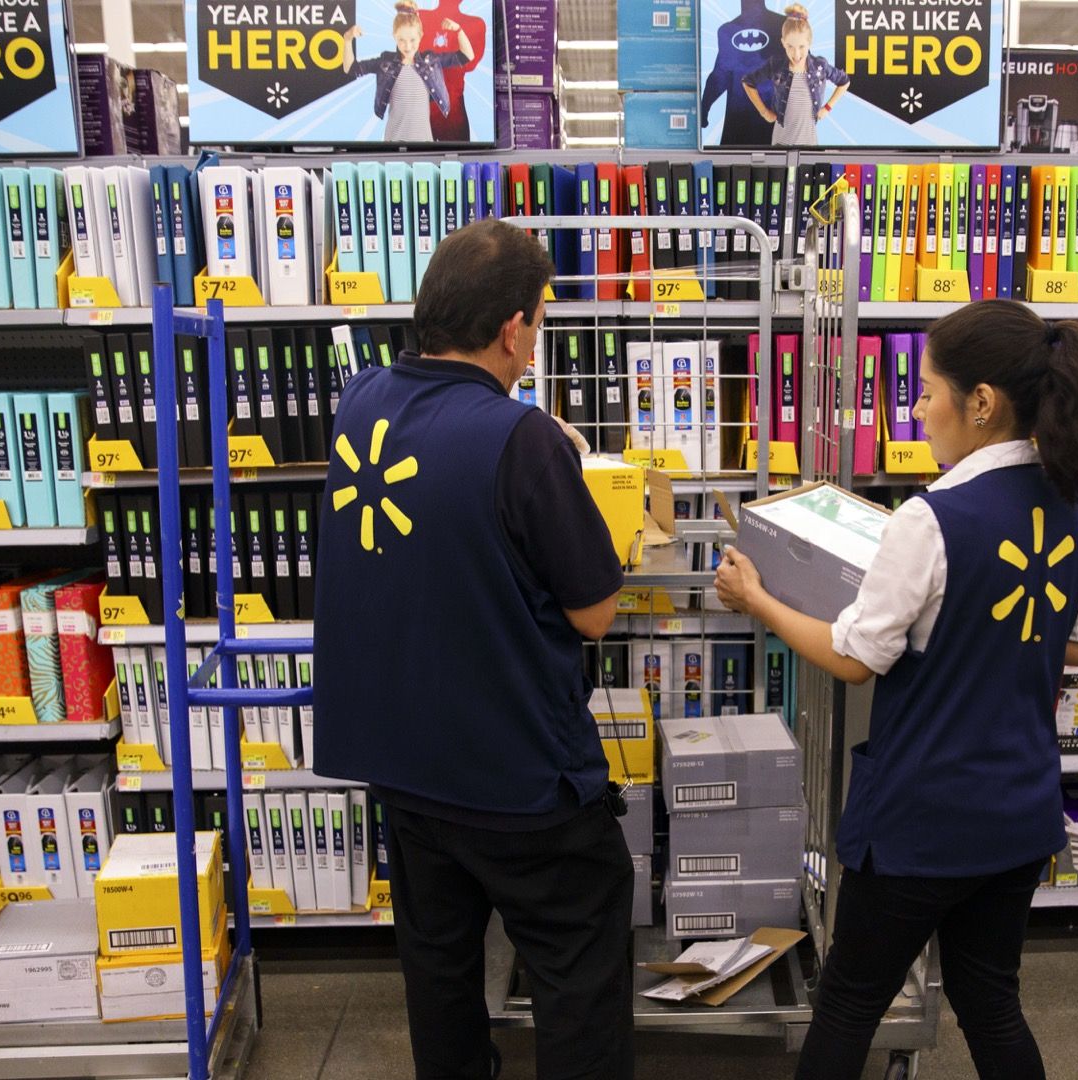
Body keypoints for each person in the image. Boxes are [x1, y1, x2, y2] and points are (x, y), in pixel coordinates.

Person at [714, 300, 1078, 1080]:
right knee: (990, 1002)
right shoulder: (1076, 506)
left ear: (981, 403)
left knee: (848, 1002)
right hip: (1016, 812)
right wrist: (995, 631)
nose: (915, 406)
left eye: (929, 388)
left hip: (921, 816)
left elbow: (853, 658)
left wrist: (759, 600)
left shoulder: (930, 520)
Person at [312, 219, 633, 1080]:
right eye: (536, 320)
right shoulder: (519, 439)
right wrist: (556, 466)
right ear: (513, 329)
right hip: (519, 779)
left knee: (440, 975)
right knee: (579, 973)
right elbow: (595, 610)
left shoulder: (361, 402)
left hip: (409, 772)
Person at [343, 0, 474, 145]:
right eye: (401, 40)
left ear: (421, 35)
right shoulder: (385, 63)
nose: (407, 46)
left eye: (412, 40)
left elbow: (467, 56)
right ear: (394, 36)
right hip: (393, 145)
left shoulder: (431, 61)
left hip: (424, 145)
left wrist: (459, 30)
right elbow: (351, 68)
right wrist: (347, 39)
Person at [742, 4, 849, 147]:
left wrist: (827, 107)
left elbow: (844, 81)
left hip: (809, 145)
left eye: (801, 47)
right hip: (780, 144)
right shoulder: (776, 65)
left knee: (807, 170)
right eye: (790, 47)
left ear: (809, 43)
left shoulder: (820, 66)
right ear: (783, 43)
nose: (796, 54)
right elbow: (748, 82)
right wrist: (765, 112)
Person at [702, 0, 786, 147]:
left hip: (767, 126)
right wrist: (704, 109)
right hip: (743, 126)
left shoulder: (784, 26)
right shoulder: (728, 31)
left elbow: (719, 77)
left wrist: (703, 110)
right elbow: (719, 77)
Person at [418, 0, 486, 143]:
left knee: (455, 161)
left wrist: (458, 32)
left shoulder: (475, 24)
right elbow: (406, 58)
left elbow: (469, 63)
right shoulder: (420, 17)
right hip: (422, 107)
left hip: (451, 111)